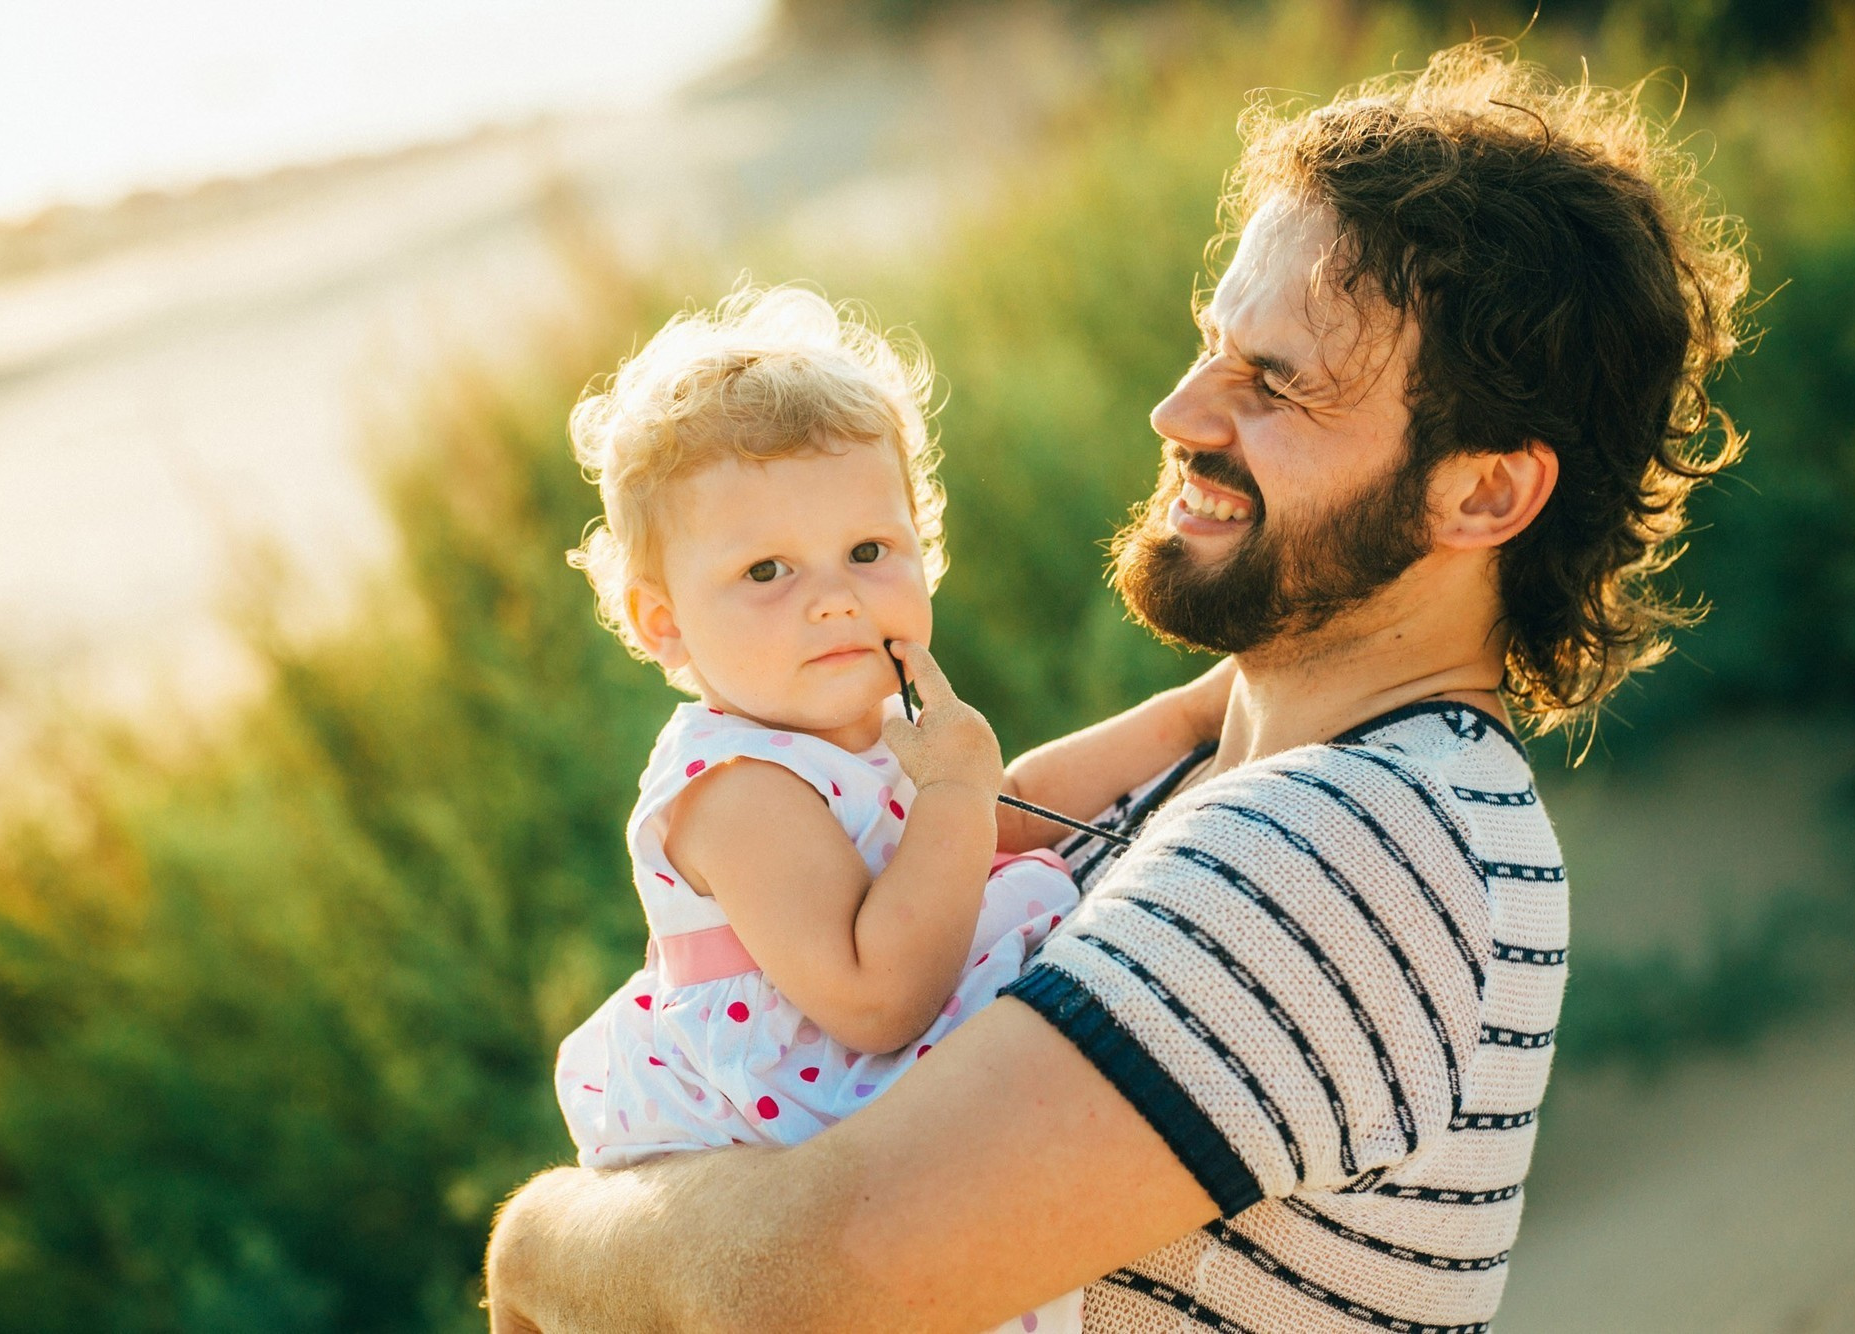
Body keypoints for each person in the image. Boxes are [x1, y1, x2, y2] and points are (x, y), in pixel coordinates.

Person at [486, 41, 1749, 1332]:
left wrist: (535, 1244)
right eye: (1215, 346)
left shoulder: (1356, 849)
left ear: (1483, 489)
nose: (1177, 408)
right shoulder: (1275, 781)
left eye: (1276, 383)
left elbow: (806, 1285)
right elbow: (997, 820)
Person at [551, 284, 1235, 1333]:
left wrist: (1183, 715)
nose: (832, 596)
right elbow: (876, 997)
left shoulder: (856, 724)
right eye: (765, 570)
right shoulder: (735, 785)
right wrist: (955, 789)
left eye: (867, 551)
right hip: (814, 1127)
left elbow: (990, 827)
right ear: (664, 622)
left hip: (877, 1084)